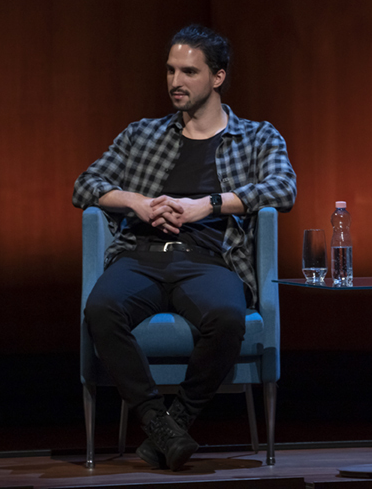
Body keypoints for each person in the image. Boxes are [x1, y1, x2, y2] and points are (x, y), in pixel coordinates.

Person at [73, 24, 296, 470]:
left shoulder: (257, 136)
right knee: (101, 310)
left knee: (229, 318)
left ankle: (176, 421)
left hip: (209, 260)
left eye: (189, 72)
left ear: (218, 77)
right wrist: (135, 202)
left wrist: (206, 206)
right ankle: (158, 423)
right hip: (141, 255)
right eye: (171, 70)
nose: (176, 82)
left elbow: (283, 189)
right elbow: (85, 185)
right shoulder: (142, 135)